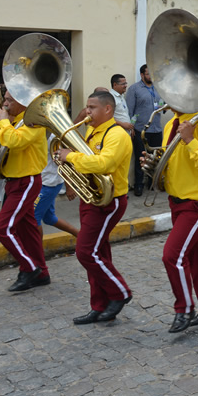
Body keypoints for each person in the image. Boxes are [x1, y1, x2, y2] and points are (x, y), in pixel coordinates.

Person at [57, 91, 133, 324]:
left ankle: (120, 292)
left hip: (108, 202)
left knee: (86, 251)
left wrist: (71, 157)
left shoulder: (117, 134)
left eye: (92, 107)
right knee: (99, 252)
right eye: (87, 107)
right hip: (91, 198)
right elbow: (87, 159)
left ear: (107, 110)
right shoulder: (92, 130)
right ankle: (99, 306)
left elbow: (104, 163)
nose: (87, 111)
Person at [154, 100, 198, 334]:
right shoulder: (170, 125)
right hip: (178, 200)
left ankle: (184, 308)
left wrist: (190, 140)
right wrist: (154, 166)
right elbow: (172, 163)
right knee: (195, 254)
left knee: (172, 255)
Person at [0, 85, 50, 292]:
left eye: (10, 100)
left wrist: (3, 121)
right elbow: (10, 148)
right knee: (28, 230)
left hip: (26, 180)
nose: (5, 104)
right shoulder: (14, 122)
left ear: (23, 102)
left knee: (2, 229)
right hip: (14, 181)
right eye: (5, 99)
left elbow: (15, 141)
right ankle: (41, 273)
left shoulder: (34, 122)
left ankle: (29, 267)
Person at [34, 133, 80, 239]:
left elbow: (61, 162)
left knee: (33, 218)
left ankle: (37, 253)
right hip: (43, 182)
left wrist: (69, 187)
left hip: (48, 184)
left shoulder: (51, 139)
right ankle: (80, 235)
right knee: (49, 218)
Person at [126, 65, 163, 196]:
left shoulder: (158, 88)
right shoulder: (134, 89)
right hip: (141, 129)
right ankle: (139, 184)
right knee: (141, 157)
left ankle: (152, 183)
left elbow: (162, 105)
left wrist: (162, 106)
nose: (151, 77)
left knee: (156, 157)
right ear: (142, 75)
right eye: (148, 74)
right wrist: (132, 127)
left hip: (157, 129)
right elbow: (130, 111)